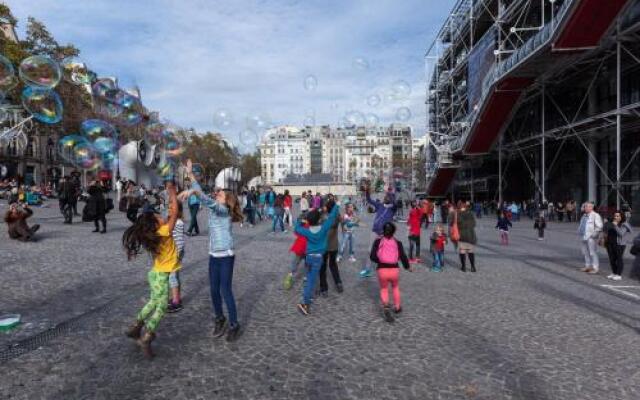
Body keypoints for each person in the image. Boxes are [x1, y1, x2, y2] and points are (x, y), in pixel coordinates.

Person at [184, 160, 243, 342]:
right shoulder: (216, 208)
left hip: (226, 256)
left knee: (225, 290)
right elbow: (207, 199)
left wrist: (194, 191)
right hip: (213, 255)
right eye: (217, 193)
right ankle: (220, 318)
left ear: (227, 201)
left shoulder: (223, 210)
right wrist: (191, 176)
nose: (217, 194)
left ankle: (234, 324)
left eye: (220, 194)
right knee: (213, 290)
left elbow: (208, 201)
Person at [122, 180, 179, 358]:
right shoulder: (162, 232)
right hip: (160, 275)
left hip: (155, 274)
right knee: (161, 307)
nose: (161, 216)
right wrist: (172, 194)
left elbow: (170, 213)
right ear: (155, 224)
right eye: (157, 216)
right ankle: (147, 335)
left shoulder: (156, 232)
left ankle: (136, 327)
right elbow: (175, 213)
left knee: (153, 302)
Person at [294, 203, 340, 316]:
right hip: (318, 258)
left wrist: (302, 220)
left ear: (309, 221)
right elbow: (332, 216)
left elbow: (296, 228)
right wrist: (336, 205)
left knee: (309, 278)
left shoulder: (307, 231)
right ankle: (305, 303)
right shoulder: (324, 228)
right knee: (311, 280)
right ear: (319, 220)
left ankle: (307, 297)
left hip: (309, 258)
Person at [369, 222, 411, 323]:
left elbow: (372, 256)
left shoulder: (378, 241)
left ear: (383, 230)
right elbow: (403, 257)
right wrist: (407, 267)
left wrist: (381, 261)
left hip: (382, 270)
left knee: (384, 289)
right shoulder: (398, 242)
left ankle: (386, 307)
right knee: (395, 287)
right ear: (394, 231)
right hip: (394, 270)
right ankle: (397, 307)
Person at [359, 186, 396, 278]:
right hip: (375, 231)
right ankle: (368, 270)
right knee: (370, 250)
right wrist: (367, 191)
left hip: (385, 234)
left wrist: (392, 191)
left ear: (391, 199)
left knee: (385, 252)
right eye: (385, 197)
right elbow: (369, 200)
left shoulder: (392, 209)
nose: (386, 198)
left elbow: (395, 203)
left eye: (388, 197)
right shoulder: (380, 205)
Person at [319, 199, 343, 296]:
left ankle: (324, 289)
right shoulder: (336, 217)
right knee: (333, 265)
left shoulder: (323, 217)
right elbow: (342, 221)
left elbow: (313, 217)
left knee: (322, 267)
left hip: (324, 246)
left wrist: (321, 210)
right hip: (334, 245)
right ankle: (338, 283)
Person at [603, 211, 633, 281]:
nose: (616, 217)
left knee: (619, 259)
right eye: (615, 216)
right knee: (612, 259)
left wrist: (615, 225)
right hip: (610, 243)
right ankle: (614, 272)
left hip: (620, 244)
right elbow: (605, 230)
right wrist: (606, 224)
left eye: (618, 216)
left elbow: (621, 234)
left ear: (621, 217)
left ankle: (619, 274)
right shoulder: (612, 222)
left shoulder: (624, 225)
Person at [168, 202, 185, 312]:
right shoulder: (175, 221)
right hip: (176, 252)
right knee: (176, 276)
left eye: (171, 208)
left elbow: (179, 241)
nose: (169, 210)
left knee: (172, 277)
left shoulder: (177, 222)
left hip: (175, 253)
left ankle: (176, 302)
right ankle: (177, 297)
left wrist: (176, 254)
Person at [578, 202, 603, 274]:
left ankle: (595, 268)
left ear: (591, 207)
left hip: (591, 237)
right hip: (583, 236)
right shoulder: (584, 215)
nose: (585, 208)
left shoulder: (595, 215)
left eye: (587, 207)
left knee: (593, 252)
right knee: (585, 252)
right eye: (585, 206)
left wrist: (594, 235)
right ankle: (587, 266)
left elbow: (599, 226)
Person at [284, 218, 309, 290]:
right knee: (307, 264)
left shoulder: (302, 228)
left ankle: (290, 275)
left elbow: (296, 230)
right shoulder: (311, 227)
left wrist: (299, 222)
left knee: (295, 262)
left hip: (300, 248)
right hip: (308, 249)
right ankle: (306, 277)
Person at [454, 202, 477, 272]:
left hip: (462, 235)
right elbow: (474, 224)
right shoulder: (471, 214)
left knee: (462, 251)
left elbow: (456, 224)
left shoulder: (458, 214)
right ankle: (473, 267)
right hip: (470, 235)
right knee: (471, 251)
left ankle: (463, 267)